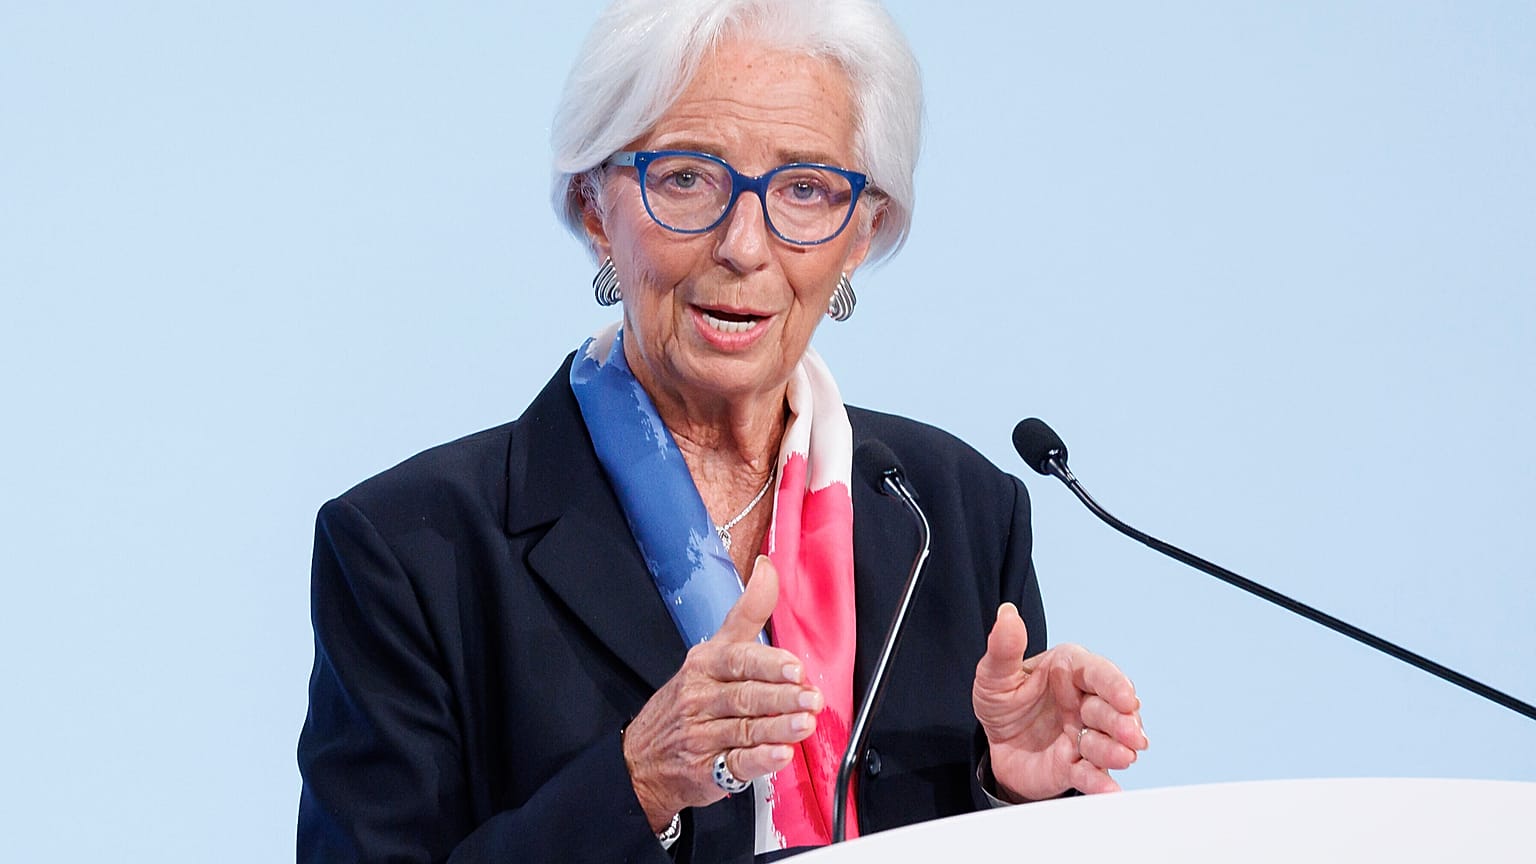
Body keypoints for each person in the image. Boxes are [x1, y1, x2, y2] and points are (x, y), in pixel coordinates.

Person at [297, 1, 1148, 861]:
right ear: (597, 208)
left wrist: (1015, 797)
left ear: (862, 233)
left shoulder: (956, 510)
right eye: (686, 178)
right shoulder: (409, 550)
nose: (744, 245)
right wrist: (635, 783)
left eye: (805, 189)